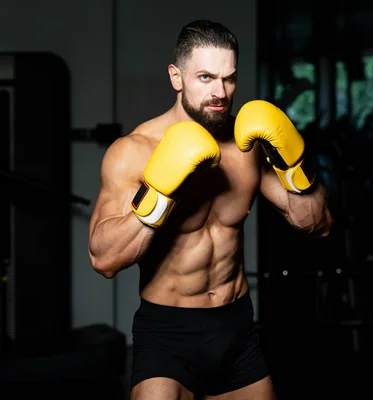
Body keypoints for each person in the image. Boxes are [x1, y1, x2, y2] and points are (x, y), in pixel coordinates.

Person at [87, 19, 333, 400]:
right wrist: (160, 193)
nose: (220, 92)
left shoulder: (248, 144)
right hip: (168, 335)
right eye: (205, 77)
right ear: (176, 77)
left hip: (237, 329)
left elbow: (317, 224)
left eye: (228, 78)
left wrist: (293, 163)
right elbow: (103, 259)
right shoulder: (134, 151)